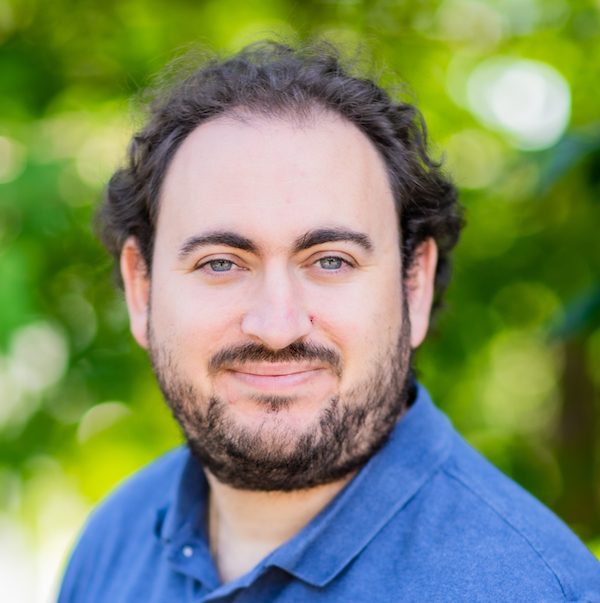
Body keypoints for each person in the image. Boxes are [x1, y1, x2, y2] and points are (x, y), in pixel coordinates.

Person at [57, 40, 600, 602]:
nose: (277, 327)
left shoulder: (537, 591)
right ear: (142, 288)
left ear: (414, 284)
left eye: (331, 261)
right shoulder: (111, 546)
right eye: (220, 263)